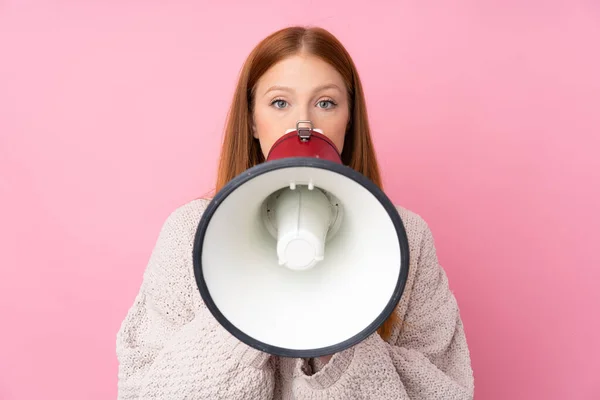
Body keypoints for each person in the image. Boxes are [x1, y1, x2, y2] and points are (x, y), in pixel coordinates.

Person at [116, 26, 474, 399]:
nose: (304, 125)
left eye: (326, 103)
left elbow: (444, 389)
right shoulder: (189, 233)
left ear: (349, 118)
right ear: (252, 120)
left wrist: (340, 332)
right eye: (280, 103)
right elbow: (144, 389)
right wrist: (245, 313)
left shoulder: (406, 237)